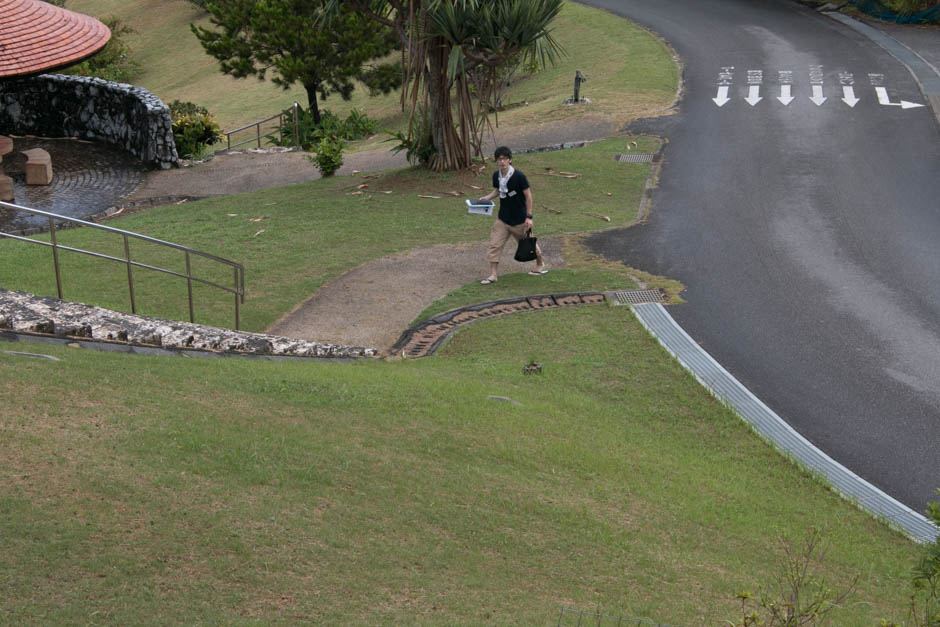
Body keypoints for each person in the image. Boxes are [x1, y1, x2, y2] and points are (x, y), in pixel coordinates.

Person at [477, 146, 546, 285]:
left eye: (504, 159)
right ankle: (493, 275)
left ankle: (540, 264)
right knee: (494, 245)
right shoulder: (496, 175)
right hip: (503, 218)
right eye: (499, 159)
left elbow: (528, 196)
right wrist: (487, 198)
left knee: (529, 244)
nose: (502, 161)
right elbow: (498, 190)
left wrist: (529, 217)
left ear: (510, 160)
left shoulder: (519, 176)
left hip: (519, 219)